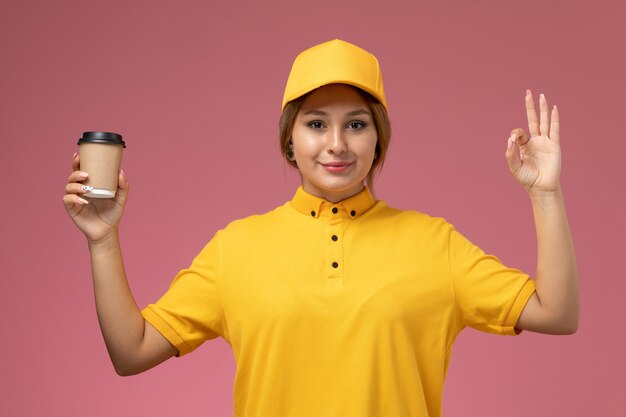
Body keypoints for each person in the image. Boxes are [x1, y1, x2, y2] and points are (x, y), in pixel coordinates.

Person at [63, 39, 579, 417]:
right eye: (316, 123)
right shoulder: (236, 249)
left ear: (379, 139)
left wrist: (546, 194)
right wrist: (103, 239)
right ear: (290, 140)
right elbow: (130, 353)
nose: (336, 143)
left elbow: (557, 313)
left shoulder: (434, 243)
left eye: (356, 124)